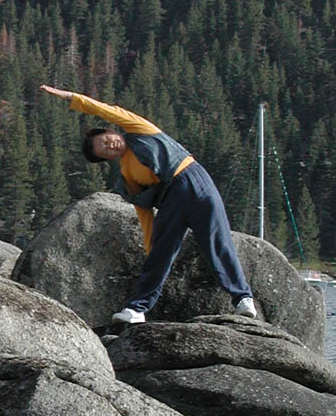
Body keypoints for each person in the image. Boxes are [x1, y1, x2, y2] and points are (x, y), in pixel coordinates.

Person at [39, 85, 256, 323]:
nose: (109, 146)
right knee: (158, 256)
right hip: (170, 202)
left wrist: (71, 97)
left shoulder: (139, 129)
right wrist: (151, 245)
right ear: (107, 159)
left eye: (105, 140)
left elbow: (106, 110)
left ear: (111, 131)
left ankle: (243, 299)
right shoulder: (127, 176)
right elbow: (144, 212)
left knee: (218, 243)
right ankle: (137, 310)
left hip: (194, 180)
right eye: (104, 151)